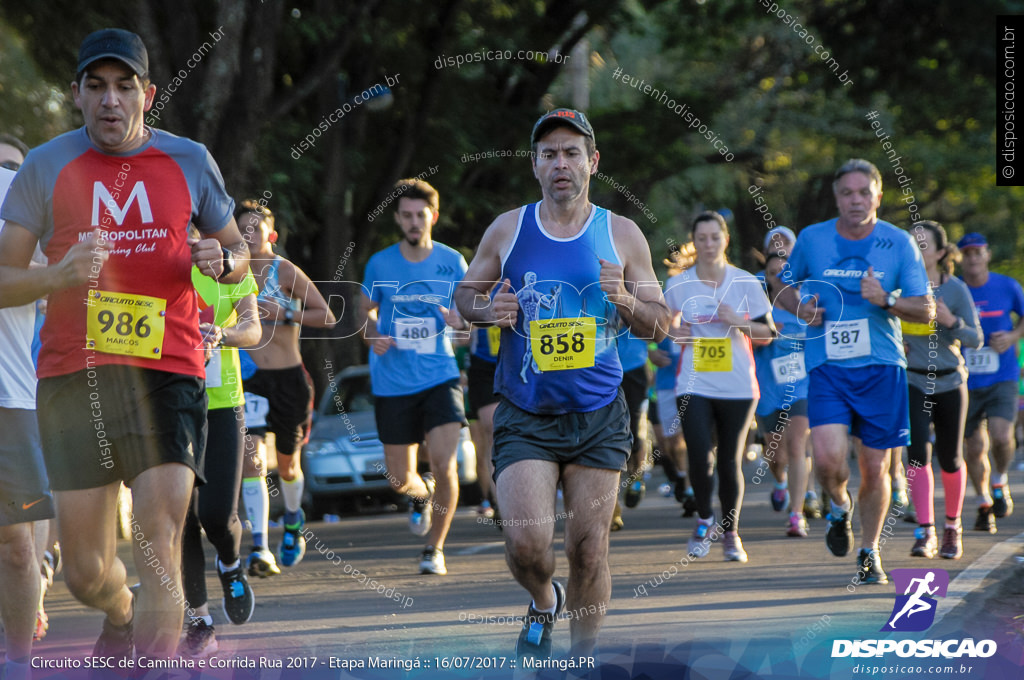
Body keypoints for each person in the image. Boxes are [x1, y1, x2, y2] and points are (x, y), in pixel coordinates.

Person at [0, 28, 251, 659]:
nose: (111, 101)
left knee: (159, 537)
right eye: (96, 87)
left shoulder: (190, 159)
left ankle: (156, 665)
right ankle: (122, 611)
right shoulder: (44, 165)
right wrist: (56, 276)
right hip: (72, 376)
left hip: (168, 369)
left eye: (124, 86)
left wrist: (223, 259)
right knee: (86, 571)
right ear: (77, 97)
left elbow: (244, 254)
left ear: (148, 94)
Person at [454, 108, 670, 661]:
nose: (561, 164)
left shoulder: (622, 233)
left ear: (593, 162)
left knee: (589, 549)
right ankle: (543, 597)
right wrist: (488, 309)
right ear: (535, 165)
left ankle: (582, 661)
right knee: (527, 547)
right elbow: (465, 297)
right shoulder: (509, 227)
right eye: (549, 154)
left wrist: (623, 298)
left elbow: (660, 321)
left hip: (598, 413)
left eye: (572, 153)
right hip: (525, 412)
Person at [772, 158, 932, 585]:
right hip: (828, 367)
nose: (856, 200)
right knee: (827, 460)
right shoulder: (813, 239)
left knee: (876, 468)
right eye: (848, 193)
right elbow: (782, 285)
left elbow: (926, 310)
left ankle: (869, 551)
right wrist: (801, 308)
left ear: (879, 195)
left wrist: (886, 300)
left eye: (865, 192)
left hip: (882, 367)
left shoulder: (898, 243)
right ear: (837, 198)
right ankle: (838, 508)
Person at [359, 178, 468, 576]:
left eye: (420, 215)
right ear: (398, 219)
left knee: (445, 464)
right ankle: (419, 497)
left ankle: (434, 549)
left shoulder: (453, 261)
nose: (414, 222)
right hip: (392, 381)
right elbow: (364, 311)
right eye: (406, 215)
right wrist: (373, 334)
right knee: (400, 479)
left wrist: (461, 320)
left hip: (440, 375)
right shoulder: (380, 263)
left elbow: (467, 313)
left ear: (433, 217)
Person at [665, 211, 776, 562]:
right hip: (693, 382)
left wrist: (739, 322)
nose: (709, 244)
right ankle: (704, 519)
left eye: (715, 237)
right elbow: (662, 327)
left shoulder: (744, 282)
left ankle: (731, 534)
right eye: (702, 238)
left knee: (729, 460)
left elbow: (768, 334)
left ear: (725, 240)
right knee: (699, 454)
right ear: (693, 242)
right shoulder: (678, 285)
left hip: (738, 386)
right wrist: (672, 333)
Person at [238, 200, 336, 575]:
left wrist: (286, 313)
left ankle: (293, 519)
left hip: (289, 380)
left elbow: (326, 315)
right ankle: (260, 547)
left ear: (271, 235)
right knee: (253, 463)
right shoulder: (231, 274)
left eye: (256, 229)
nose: (249, 236)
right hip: (250, 381)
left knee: (287, 467)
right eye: (242, 229)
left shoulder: (285, 271)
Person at [181, 239, 262, 657]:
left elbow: (254, 327)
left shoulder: (227, 264)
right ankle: (199, 621)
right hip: (168, 403)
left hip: (222, 403)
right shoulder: (149, 263)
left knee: (216, 515)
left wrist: (224, 334)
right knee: (179, 518)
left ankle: (230, 563)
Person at [0, 165, 56, 680]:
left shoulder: (14, 192)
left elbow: (53, 272)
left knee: (18, 550)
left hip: (10, 400)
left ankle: (18, 667)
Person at [901, 221, 981, 559]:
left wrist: (952, 322)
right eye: (912, 243)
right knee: (917, 453)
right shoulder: (901, 288)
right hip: (913, 379)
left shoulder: (956, 290)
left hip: (949, 380)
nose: (917, 250)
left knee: (950, 458)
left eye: (923, 244)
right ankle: (925, 531)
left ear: (941, 253)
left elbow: (976, 339)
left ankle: (952, 527)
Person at [957, 231, 1024, 532]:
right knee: (973, 447)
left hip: (1002, 375)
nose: (972, 258)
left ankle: (999, 479)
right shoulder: (955, 289)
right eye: (967, 253)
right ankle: (984, 502)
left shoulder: (1006, 286)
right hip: (966, 379)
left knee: (1000, 435)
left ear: (987, 255)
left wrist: (1011, 336)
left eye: (977, 252)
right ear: (959, 258)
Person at [754, 252, 811, 537]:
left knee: (798, 444)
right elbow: (746, 338)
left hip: (801, 385)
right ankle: (779, 482)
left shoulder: (808, 305)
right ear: (766, 276)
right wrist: (765, 332)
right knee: (776, 455)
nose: (781, 278)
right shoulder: (760, 305)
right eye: (774, 272)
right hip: (768, 389)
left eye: (786, 272)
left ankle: (796, 514)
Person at [466, 325, 499, 519]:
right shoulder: (465, 294)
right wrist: (462, 328)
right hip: (486, 367)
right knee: (494, 433)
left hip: (526, 359)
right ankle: (501, 502)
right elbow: (458, 335)